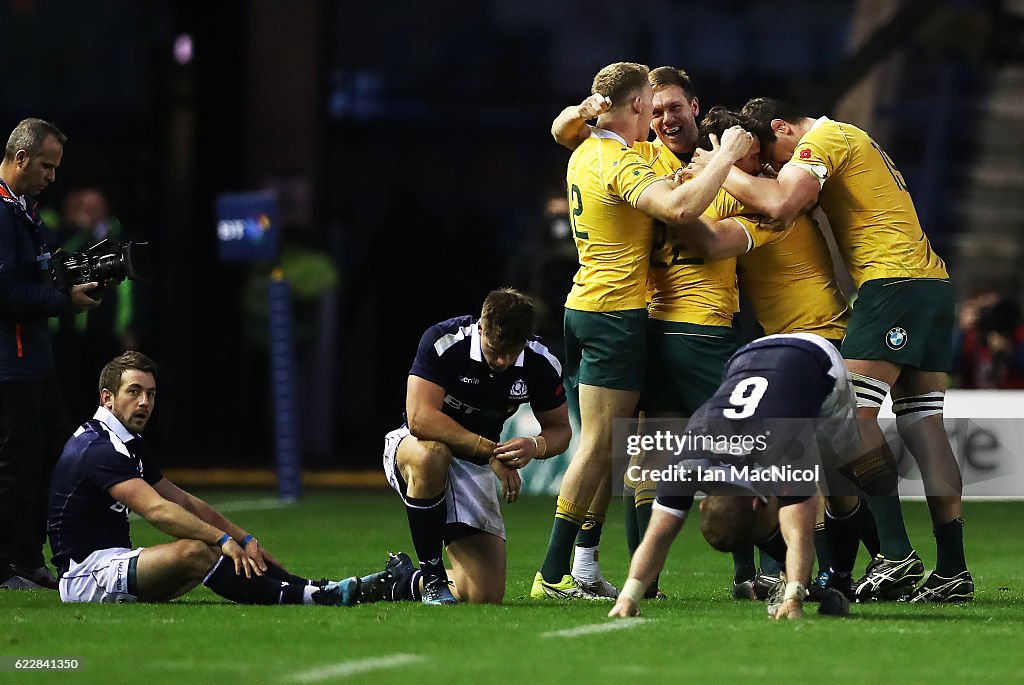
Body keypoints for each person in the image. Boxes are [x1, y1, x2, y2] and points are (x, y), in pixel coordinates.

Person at [719, 98, 972, 602]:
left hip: (893, 284)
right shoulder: (852, 141)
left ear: (783, 127)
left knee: (848, 420)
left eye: (775, 154)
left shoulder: (824, 139)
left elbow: (783, 201)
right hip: (929, 285)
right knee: (923, 426)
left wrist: (718, 166)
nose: (775, 167)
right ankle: (953, 570)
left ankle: (896, 555)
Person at [532, 62, 753, 600]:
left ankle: (582, 565)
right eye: (651, 106)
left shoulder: (586, 147)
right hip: (616, 315)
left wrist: (580, 112)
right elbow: (679, 210)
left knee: (614, 447)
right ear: (636, 108)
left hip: (585, 305)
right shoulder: (619, 160)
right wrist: (725, 155)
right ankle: (556, 570)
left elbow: (563, 129)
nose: (658, 116)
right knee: (602, 445)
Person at [47, 351, 392, 605]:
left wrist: (243, 538)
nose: (145, 402)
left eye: (150, 394)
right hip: (86, 577)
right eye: (134, 392)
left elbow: (182, 501)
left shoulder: (123, 442)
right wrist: (222, 539)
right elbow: (158, 511)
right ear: (107, 398)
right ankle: (313, 597)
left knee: (212, 546)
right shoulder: (99, 448)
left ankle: (315, 587)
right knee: (195, 550)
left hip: (112, 565)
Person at [609, 333, 862, 620]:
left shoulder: (781, 447)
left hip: (818, 359)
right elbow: (657, 538)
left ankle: (841, 580)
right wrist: (628, 596)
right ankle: (790, 576)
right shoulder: (689, 454)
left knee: (838, 482)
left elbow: (800, 535)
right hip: (747, 353)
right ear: (703, 503)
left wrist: (794, 598)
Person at [383, 288, 571, 604]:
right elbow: (420, 419)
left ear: (525, 340)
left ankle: (403, 581)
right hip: (414, 446)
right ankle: (432, 577)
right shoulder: (444, 342)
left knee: (484, 594)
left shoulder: (541, 363)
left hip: (475, 460)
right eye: (494, 349)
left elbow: (561, 431)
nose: (501, 361)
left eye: (510, 353)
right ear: (480, 328)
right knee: (432, 455)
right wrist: (489, 451)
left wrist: (534, 445)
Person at [0, 118, 101, 590]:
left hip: (33, 362)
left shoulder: (26, 210)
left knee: (48, 461)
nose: (52, 176)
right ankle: (7, 566)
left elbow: (38, 273)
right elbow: (5, 293)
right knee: (14, 467)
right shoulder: (2, 212)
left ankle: (26, 556)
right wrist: (65, 301)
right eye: (47, 165)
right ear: (20, 159)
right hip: (9, 365)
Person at [50, 187, 141, 421]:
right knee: (70, 396)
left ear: (105, 209)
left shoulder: (118, 239)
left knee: (106, 396)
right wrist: (77, 229)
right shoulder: (69, 237)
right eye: (83, 208)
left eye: (94, 207)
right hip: (70, 332)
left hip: (107, 333)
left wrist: (127, 328)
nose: (89, 213)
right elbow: (56, 260)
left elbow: (130, 290)